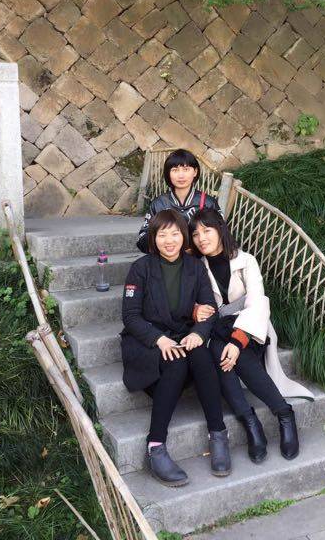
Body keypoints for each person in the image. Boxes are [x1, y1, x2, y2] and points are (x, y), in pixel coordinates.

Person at [190, 208, 315, 464]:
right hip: (217, 331)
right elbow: (190, 301)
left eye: (207, 230)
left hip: (250, 331)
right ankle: (251, 422)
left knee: (231, 353)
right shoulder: (196, 266)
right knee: (218, 351)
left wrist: (238, 341)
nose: (201, 238)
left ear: (220, 230)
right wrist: (195, 310)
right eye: (195, 234)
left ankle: (283, 414)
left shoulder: (246, 261)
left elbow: (258, 303)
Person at [121, 208, 231, 487]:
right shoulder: (141, 268)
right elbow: (131, 316)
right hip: (148, 341)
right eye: (162, 234)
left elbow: (209, 309)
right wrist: (158, 339)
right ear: (153, 238)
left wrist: (198, 333)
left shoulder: (195, 267)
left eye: (174, 234)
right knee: (177, 361)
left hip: (182, 335)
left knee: (201, 354)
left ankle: (218, 434)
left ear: (184, 236)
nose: (169, 241)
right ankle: (155, 445)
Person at [136, 149, 222, 253]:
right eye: (175, 170)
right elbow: (142, 239)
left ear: (195, 172)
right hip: (166, 259)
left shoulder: (208, 203)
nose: (181, 175)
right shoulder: (159, 204)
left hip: (201, 259)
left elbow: (222, 234)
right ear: (168, 173)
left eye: (186, 169)